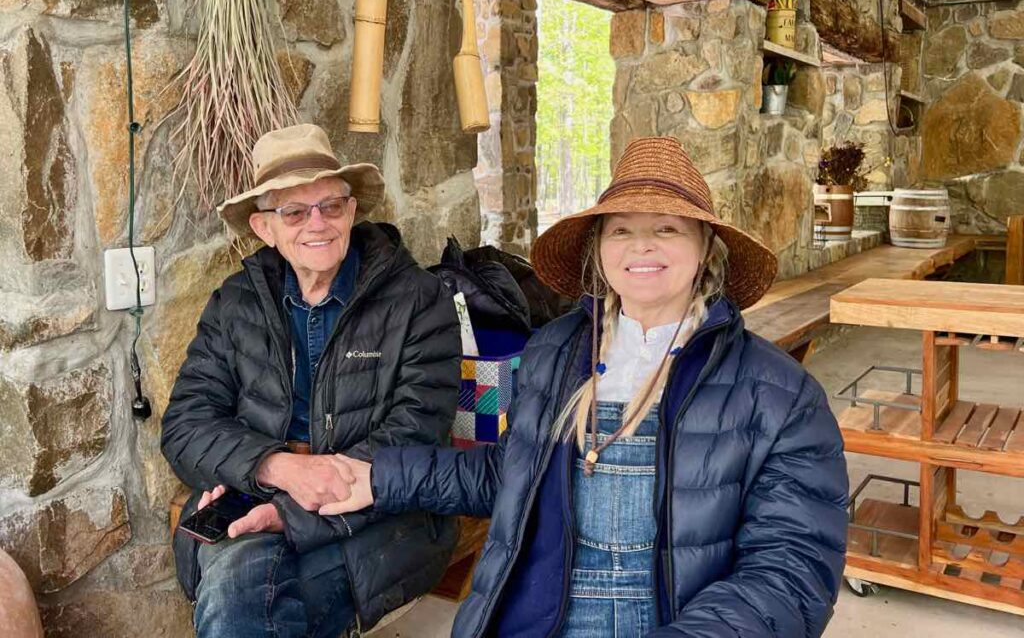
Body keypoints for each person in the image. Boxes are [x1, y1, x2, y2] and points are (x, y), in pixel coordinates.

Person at [321, 136, 849, 637]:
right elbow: (510, 474)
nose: (641, 244)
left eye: (667, 228)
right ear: (599, 248)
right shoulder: (555, 351)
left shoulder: (779, 394)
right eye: (620, 229)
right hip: (536, 617)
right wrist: (379, 477)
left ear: (707, 247)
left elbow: (793, 568)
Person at [161, 123, 461, 638]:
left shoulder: (418, 300)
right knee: (244, 595)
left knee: (237, 601)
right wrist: (275, 469)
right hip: (254, 491)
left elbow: (415, 434)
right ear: (264, 229)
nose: (316, 224)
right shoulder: (235, 303)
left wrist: (287, 512)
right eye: (294, 212)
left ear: (352, 211)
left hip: (378, 511)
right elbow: (185, 425)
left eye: (331, 205)